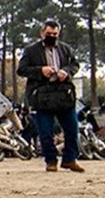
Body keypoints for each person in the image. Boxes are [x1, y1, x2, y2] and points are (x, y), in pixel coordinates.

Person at [17, 19, 83, 173]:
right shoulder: (31, 51)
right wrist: (40, 71)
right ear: (42, 33)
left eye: (55, 34)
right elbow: (22, 70)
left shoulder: (66, 49)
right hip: (42, 95)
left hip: (63, 93)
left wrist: (66, 71)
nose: (52, 36)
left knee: (73, 128)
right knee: (45, 131)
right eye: (48, 34)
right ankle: (51, 161)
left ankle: (70, 159)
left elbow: (75, 64)